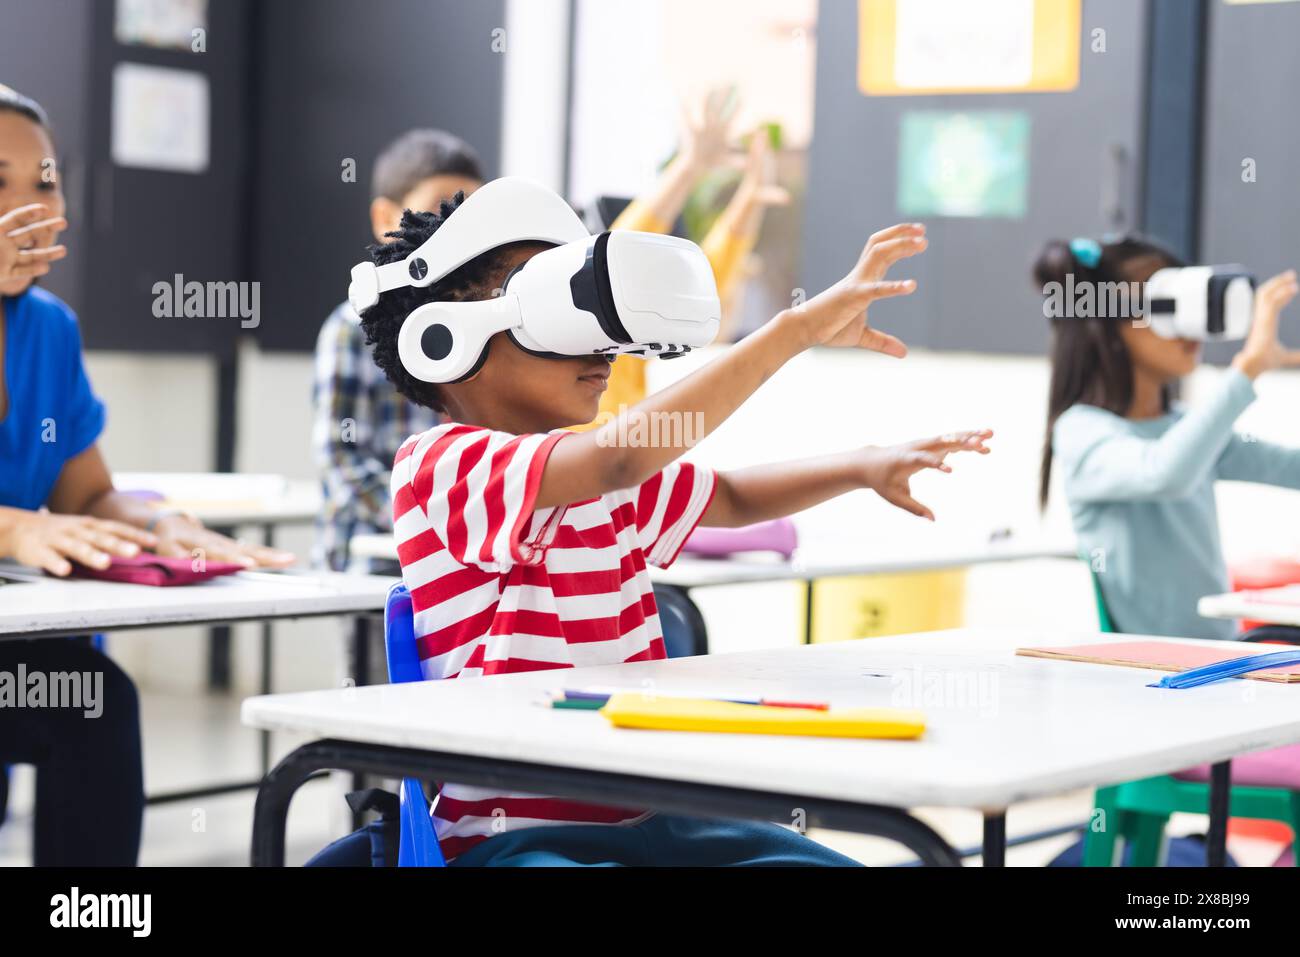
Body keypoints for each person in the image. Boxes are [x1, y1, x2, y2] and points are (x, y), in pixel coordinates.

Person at [355, 189, 992, 865]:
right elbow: (622, 455)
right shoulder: (442, 464)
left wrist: (862, 464)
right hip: (513, 840)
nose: (601, 346)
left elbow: (734, 496)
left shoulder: (597, 479)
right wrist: (792, 332)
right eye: (553, 313)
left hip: (650, 817)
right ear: (446, 336)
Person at [0, 85, 291, 865]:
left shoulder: (50, 328)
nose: (29, 204)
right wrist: (14, 525)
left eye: (45, 180)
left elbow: (85, 493)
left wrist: (159, 521)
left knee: (93, 701)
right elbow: (32, 519)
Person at [1036, 235, 1300, 640]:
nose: (1190, 326)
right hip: (1149, 675)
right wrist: (1247, 368)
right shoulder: (1081, 431)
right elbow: (1163, 472)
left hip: (1218, 660)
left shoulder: (1186, 427)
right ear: (1108, 321)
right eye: (1169, 304)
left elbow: (1290, 468)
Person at [311, 129, 482, 572]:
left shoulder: (478, 320)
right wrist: (424, 518)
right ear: (385, 216)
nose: (452, 228)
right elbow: (341, 459)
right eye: (438, 208)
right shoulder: (350, 329)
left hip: (462, 545)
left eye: (468, 213)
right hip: (373, 554)